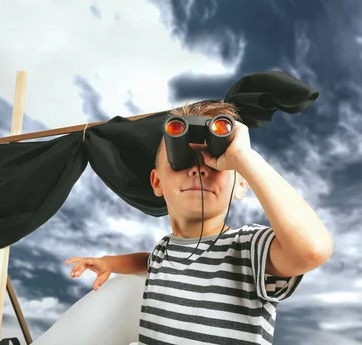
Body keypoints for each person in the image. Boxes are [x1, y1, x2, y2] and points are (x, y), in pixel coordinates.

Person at [65, 101, 333, 344]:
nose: (199, 169)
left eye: (216, 163)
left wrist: (244, 158)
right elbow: (148, 261)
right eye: (180, 159)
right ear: (157, 182)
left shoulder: (249, 248)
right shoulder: (165, 250)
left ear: (241, 184)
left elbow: (311, 249)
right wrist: (109, 262)